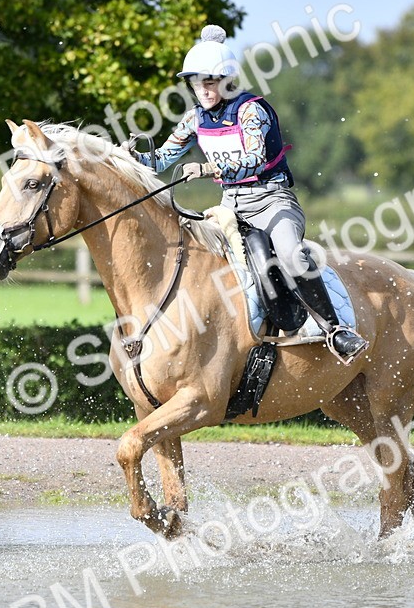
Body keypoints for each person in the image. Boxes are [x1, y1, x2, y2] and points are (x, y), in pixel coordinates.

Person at [135, 25, 369, 363]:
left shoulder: (250, 111)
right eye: (197, 82)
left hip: (273, 201)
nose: (203, 89)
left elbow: (255, 160)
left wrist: (205, 169)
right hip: (230, 205)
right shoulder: (194, 118)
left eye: (211, 81)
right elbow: (162, 158)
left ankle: (335, 329)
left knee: (291, 255)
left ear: (227, 80)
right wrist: (129, 157)